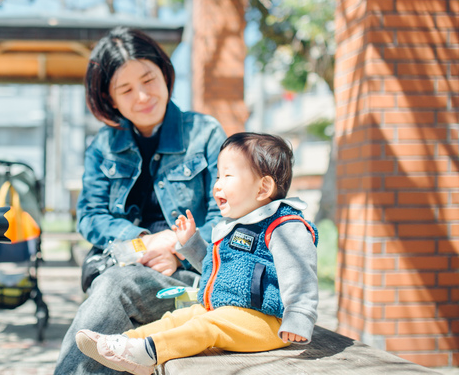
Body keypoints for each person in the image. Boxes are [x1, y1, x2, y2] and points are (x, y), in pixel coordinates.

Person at [54, 27, 227, 375]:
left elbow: (227, 214)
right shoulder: (103, 145)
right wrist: (144, 243)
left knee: (115, 289)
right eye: (126, 89)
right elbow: (90, 215)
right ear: (110, 99)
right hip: (124, 263)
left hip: (188, 275)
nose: (143, 96)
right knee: (116, 285)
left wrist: (178, 247)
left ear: (165, 73)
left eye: (148, 80)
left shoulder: (205, 133)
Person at [75, 132, 319, 375]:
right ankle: (124, 342)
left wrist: (298, 317)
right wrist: (191, 243)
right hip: (226, 313)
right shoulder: (234, 226)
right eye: (217, 176)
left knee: (204, 327)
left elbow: (301, 274)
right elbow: (214, 268)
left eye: (228, 176)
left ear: (263, 187)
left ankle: (148, 353)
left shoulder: (284, 226)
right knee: (181, 316)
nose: (217, 184)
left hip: (267, 323)